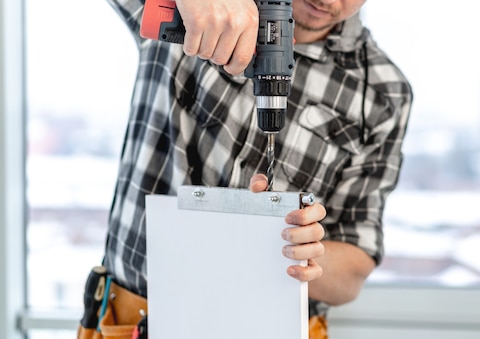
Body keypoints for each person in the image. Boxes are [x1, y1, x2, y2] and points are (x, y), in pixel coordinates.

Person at [81, 0, 412, 337]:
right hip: (136, 321)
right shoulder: (214, 8)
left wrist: (302, 253)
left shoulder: (384, 92)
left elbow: (353, 274)